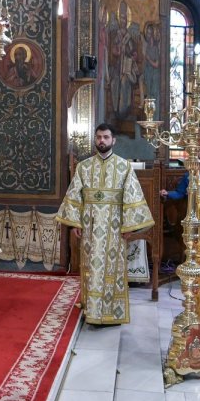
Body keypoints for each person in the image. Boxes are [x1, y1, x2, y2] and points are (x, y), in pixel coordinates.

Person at [56, 123, 154, 325]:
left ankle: (112, 312)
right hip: (90, 226)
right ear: (95, 139)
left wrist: (129, 227)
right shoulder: (84, 167)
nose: (102, 140)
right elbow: (75, 196)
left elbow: (132, 197)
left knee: (112, 269)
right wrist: (76, 223)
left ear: (113, 140)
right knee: (91, 267)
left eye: (106, 137)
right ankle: (91, 309)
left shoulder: (124, 167)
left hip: (115, 227)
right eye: (99, 137)